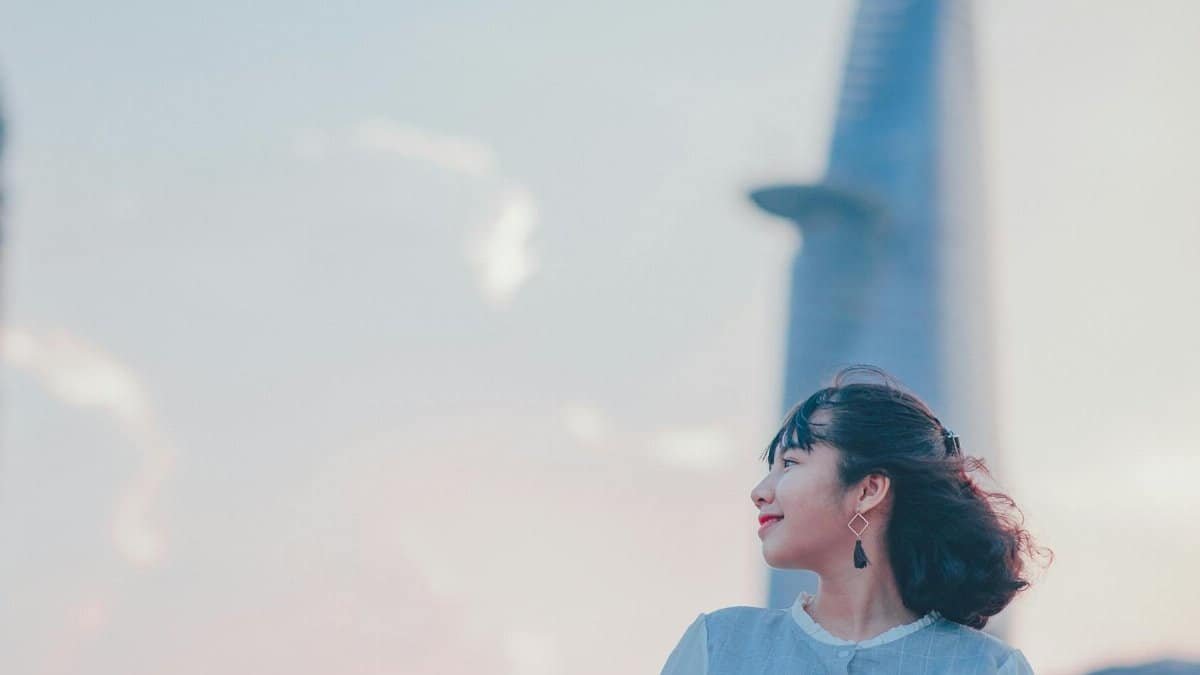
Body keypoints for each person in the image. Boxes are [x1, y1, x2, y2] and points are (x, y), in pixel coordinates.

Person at [660, 365, 1051, 674]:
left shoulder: (987, 668)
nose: (760, 491)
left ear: (867, 491)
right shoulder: (719, 645)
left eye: (790, 463)